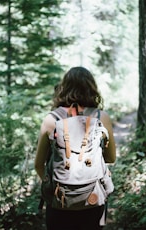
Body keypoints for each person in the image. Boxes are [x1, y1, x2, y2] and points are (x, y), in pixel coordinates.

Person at [34, 66, 116, 230]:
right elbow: (111, 158)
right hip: (92, 199)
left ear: (64, 88)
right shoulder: (101, 117)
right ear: (91, 88)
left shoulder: (52, 119)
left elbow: (38, 164)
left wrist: (52, 184)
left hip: (59, 202)